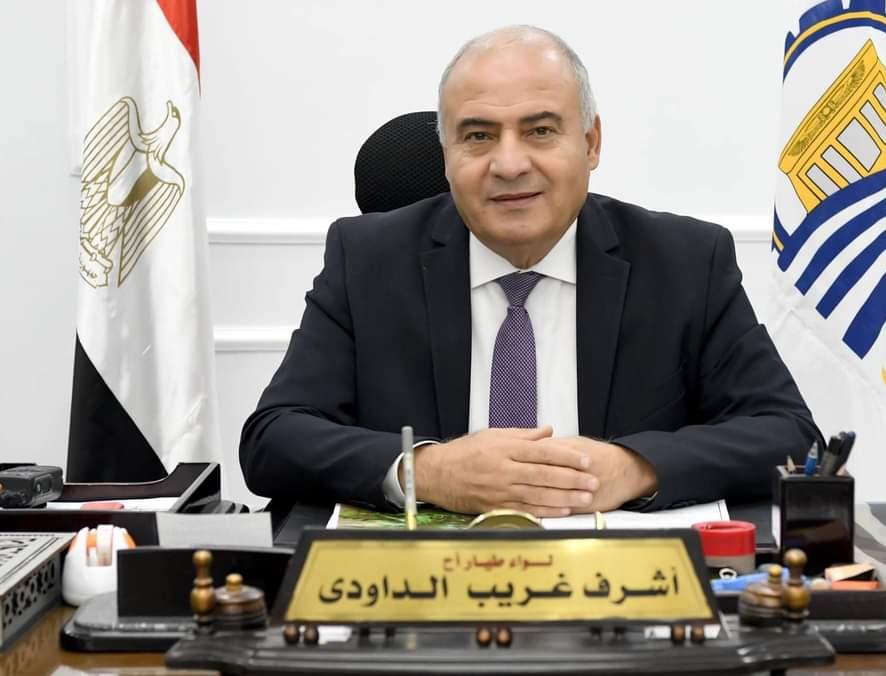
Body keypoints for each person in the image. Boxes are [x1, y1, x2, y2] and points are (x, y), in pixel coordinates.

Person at [239, 25, 821, 516]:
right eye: (478, 136)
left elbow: (789, 434)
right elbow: (273, 438)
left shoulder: (685, 262)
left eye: (540, 131)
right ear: (446, 156)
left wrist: (634, 467)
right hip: (425, 594)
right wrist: (429, 471)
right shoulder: (367, 259)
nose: (510, 163)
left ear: (591, 143)